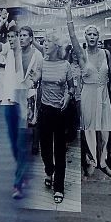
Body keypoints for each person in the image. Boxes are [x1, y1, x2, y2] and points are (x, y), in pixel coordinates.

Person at [66, 5, 111, 178]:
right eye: (89, 34)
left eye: (95, 34)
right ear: (85, 37)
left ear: (98, 37)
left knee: (105, 130)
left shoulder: (107, 54)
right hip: (88, 94)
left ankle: (103, 161)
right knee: (89, 129)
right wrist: (68, 13)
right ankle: (92, 161)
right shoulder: (81, 55)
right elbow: (72, 36)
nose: (92, 37)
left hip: (104, 95)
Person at [0, 11, 28, 198]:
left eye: (16, 37)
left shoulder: (26, 53)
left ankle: (18, 184)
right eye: (11, 37)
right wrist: (1, 22)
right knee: (13, 142)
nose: (13, 40)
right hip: (7, 101)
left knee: (20, 143)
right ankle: (22, 173)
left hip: (22, 100)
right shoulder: (5, 49)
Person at [36, 31, 74, 204]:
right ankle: (48, 170)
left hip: (59, 113)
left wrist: (68, 95)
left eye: (48, 41)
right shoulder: (42, 63)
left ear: (56, 46)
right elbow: (36, 79)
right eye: (43, 41)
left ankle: (59, 187)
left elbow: (71, 88)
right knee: (45, 150)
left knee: (59, 150)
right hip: (44, 112)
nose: (44, 43)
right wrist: (33, 79)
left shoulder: (65, 65)